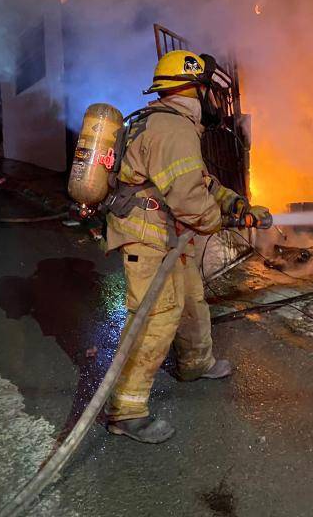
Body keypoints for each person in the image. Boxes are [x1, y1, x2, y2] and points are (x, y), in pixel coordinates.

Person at [103, 50, 271, 443]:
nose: (213, 100)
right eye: (209, 90)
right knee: (155, 319)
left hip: (169, 237)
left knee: (192, 298)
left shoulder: (172, 124)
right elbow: (189, 199)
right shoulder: (173, 129)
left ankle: (196, 362)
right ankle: (126, 412)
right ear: (194, 88)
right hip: (148, 238)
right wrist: (224, 221)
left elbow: (201, 182)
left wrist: (237, 205)